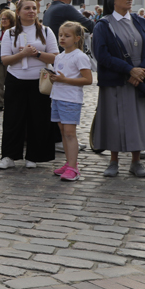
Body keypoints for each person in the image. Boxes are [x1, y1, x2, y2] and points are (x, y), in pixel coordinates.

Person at [92, 0, 145, 177]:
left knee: (140, 120)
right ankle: (113, 161)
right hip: (117, 79)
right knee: (114, 120)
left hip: (141, 78)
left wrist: (141, 71)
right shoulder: (103, 25)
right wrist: (129, 70)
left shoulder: (141, 21)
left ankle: (136, 162)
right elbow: (102, 55)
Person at [0, 0, 59, 170]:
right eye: (27, 8)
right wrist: (22, 55)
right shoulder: (10, 33)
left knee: (38, 119)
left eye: (33, 8)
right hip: (16, 79)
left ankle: (34, 156)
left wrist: (36, 54)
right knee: (13, 119)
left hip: (39, 81)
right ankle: (9, 155)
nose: (31, 11)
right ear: (18, 12)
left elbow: (55, 57)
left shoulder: (46, 31)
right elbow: (5, 60)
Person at [49, 22, 93, 181]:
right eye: (61, 35)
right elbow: (61, 77)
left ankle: (74, 168)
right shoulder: (59, 56)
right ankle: (69, 163)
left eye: (67, 36)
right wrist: (54, 79)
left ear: (76, 38)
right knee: (63, 132)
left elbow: (88, 79)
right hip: (57, 97)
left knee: (69, 133)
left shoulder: (80, 56)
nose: (62, 38)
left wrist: (64, 79)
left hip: (70, 99)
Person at [0, 10, 16, 112]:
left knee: (10, 82)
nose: (3, 21)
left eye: (5, 19)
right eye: (2, 19)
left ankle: (9, 102)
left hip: (10, 60)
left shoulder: (15, 32)